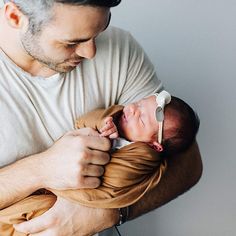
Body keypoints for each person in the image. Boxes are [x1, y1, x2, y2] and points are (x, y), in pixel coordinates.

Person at [0, 1, 202, 236]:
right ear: (15, 17)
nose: (91, 52)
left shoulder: (119, 50)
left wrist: (109, 213)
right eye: (71, 42)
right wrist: (41, 169)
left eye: (100, 30)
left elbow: (188, 163)